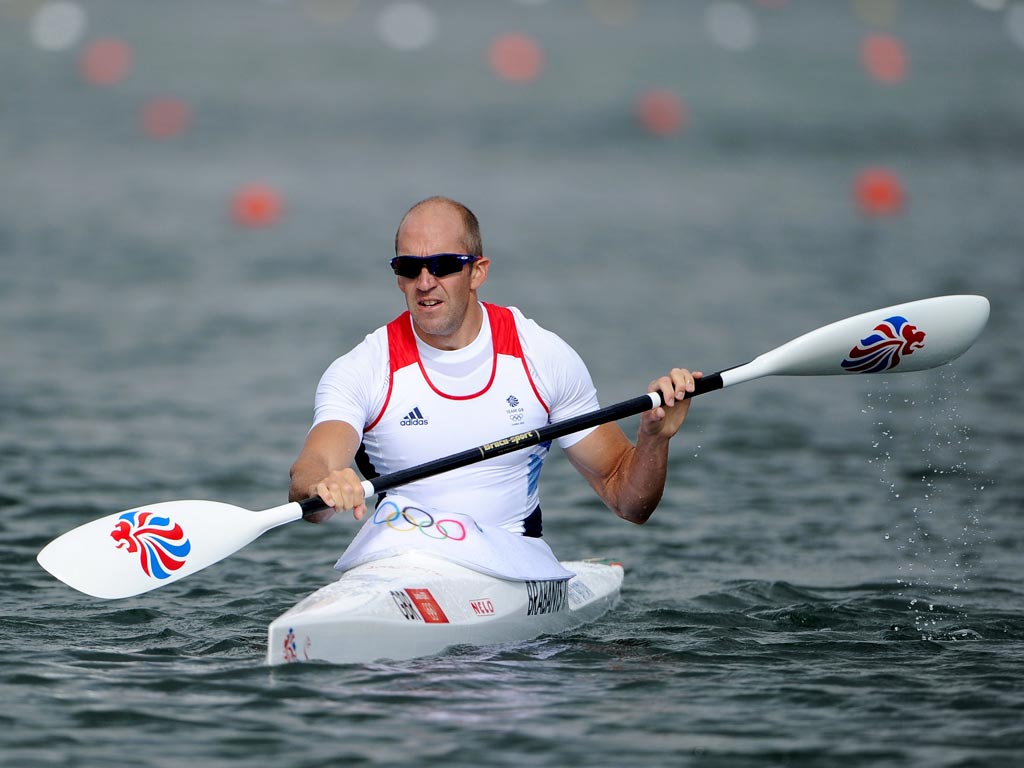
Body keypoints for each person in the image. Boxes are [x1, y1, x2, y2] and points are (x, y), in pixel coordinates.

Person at [289, 196, 700, 537]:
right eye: (409, 267)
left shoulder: (541, 356)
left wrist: (653, 440)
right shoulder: (363, 369)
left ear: (477, 272)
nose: (425, 281)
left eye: (444, 265)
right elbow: (311, 472)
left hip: (512, 567)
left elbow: (629, 502)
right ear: (398, 277)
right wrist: (323, 488)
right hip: (401, 563)